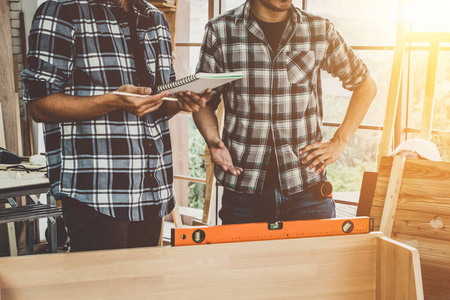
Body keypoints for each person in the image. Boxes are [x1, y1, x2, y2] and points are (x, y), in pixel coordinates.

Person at [22, 0, 211, 251]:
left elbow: (156, 103)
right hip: (94, 193)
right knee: (102, 289)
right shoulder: (60, 10)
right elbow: (39, 105)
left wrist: (181, 102)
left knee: (143, 289)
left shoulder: (153, 16)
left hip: (153, 191)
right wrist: (114, 101)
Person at [193, 0, 377, 224]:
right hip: (243, 194)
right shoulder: (220, 30)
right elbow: (202, 101)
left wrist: (341, 139)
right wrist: (213, 142)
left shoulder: (319, 30)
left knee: (315, 261)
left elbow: (365, 85)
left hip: (308, 192)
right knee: (248, 261)